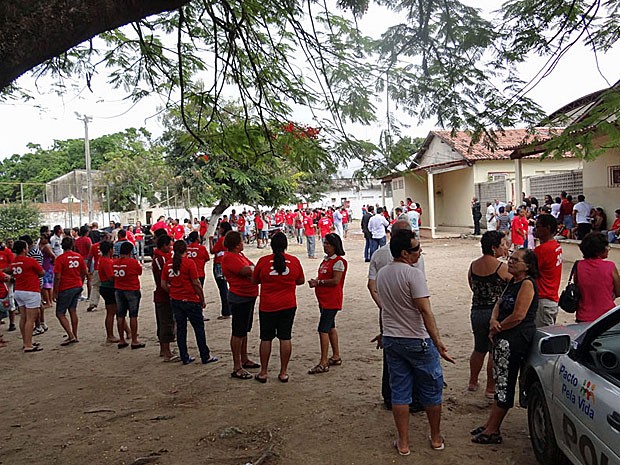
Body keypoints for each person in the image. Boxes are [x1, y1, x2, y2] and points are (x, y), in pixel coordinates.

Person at [376, 229, 455, 455]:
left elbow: (385, 310)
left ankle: (403, 442)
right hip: (417, 340)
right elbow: (424, 311)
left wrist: (383, 333)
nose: (420, 252)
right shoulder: (413, 275)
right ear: (404, 252)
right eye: (416, 249)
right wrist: (438, 342)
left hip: (393, 340)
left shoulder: (382, 274)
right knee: (431, 389)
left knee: (399, 392)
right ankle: (436, 437)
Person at [471, 248, 539, 445]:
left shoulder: (526, 284)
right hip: (503, 336)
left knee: (505, 382)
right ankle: (490, 424)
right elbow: (499, 303)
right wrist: (493, 320)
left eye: (516, 260)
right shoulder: (513, 281)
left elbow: (519, 315)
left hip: (515, 338)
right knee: (500, 380)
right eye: (510, 258)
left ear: (527, 266)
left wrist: (497, 328)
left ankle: (493, 430)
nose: (510, 262)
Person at [367, 220, 426, 410]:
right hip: (411, 315)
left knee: (392, 360)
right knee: (416, 360)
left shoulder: (378, 255)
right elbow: (419, 289)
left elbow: (371, 286)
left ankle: (390, 396)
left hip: (389, 315)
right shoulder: (414, 258)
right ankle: (415, 400)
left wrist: (384, 307)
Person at [252, 232, 305, 383]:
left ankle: (263, 372)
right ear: (286, 246)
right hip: (288, 304)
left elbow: (255, 280)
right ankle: (283, 372)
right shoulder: (294, 261)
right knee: (285, 337)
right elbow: (300, 280)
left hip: (268, 305)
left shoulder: (263, 261)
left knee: (266, 338)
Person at [467, 231, 511, 398]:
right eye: (502, 244)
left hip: (477, 310)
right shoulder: (502, 267)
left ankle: (473, 381)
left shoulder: (473, 265)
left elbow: (472, 286)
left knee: (479, 348)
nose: (505, 247)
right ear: (494, 248)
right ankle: (490, 387)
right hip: (495, 313)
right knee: (494, 350)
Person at [161, 240, 218, 365]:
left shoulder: (168, 264)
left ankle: (184, 356)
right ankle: (205, 355)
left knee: (181, 329)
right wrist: (202, 298)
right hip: (191, 299)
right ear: (185, 250)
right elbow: (196, 283)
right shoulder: (189, 263)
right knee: (198, 328)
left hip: (176, 299)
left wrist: (174, 291)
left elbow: (163, 284)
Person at [221, 231, 260, 379]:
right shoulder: (230, 258)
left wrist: (252, 270)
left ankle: (244, 359)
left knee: (244, 330)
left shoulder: (238, 256)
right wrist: (252, 270)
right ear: (237, 244)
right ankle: (237, 365)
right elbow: (247, 270)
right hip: (240, 296)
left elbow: (252, 267)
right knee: (238, 331)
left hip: (247, 295)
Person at [307, 233, 348, 374]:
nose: (325, 246)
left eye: (328, 244)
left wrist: (319, 282)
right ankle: (335, 356)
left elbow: (336, 281)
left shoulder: (338, 262)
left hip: (331, 300)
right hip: (324, 300)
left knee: (323, 329)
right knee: (330, 327)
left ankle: (323, 362)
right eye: (324, 243)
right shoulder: (326, 261)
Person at [574, 232, 620, 323]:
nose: (608, 249)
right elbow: (618, 291)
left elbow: (578, 287)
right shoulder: (610, 266)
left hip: (583, 316)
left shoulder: (578, 266)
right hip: (607, 315)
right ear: (599, 250)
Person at [9, 240, 45, 353]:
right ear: (24, 249)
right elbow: (42, 272)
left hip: (19, 291)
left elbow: (10, 271)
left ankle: (26, 342)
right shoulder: (30, 261)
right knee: (31, 318)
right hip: (31, 291)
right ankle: (28, 344)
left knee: (23, 317)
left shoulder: (14, 262)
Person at [53, 237, 87, 345]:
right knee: (72, 310)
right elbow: (84, 272)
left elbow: (57, 276)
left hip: (66, 287)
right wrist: (80, 282)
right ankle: (74, 334)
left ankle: (70, 335)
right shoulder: (78, 257)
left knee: (60, 313)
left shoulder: (60, 259)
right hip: (77, 285)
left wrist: (55, 291)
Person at [113, 241, 145, 349]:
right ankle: (134, 340)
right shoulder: (132, 262)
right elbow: (139, 272)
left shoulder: (114, 262)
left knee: (120, 315)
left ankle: (121, 339)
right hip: (132, 289)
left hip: (119, 289)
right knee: (133, 315)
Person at [533, 214, 563, 327]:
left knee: (541, 337)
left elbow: (530, 271)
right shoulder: (555, 245)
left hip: (543, 298)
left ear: (548, 228)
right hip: (551, 297)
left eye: (538, 226)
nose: (535, 229)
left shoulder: (542, 250)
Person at [97, 240, 130, 343]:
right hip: (109, 288)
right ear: (110, 250)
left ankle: (128, 331)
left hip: (107, 287)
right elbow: (111, 277)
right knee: (112, 312)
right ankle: (110, 335)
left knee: (116, 311)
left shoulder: (103, 260)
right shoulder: (106, 261)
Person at [151, 234, 176, 361]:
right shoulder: (159, 259)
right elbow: (163, 278)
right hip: (163, 295)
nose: (170, 248)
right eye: (169, 245)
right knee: (166, 322)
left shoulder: (162, 258)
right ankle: (166, 351)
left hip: (163, 293)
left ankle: (164, 349)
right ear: (164, 246)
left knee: (165, 322)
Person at [210, 221, 232, 320]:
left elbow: (212, 250)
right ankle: (229, 309)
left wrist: (210, 241)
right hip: (229, 263)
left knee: (222, 288)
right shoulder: (230, 239)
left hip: (219, 264)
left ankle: (226, 311)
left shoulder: (221, 240)